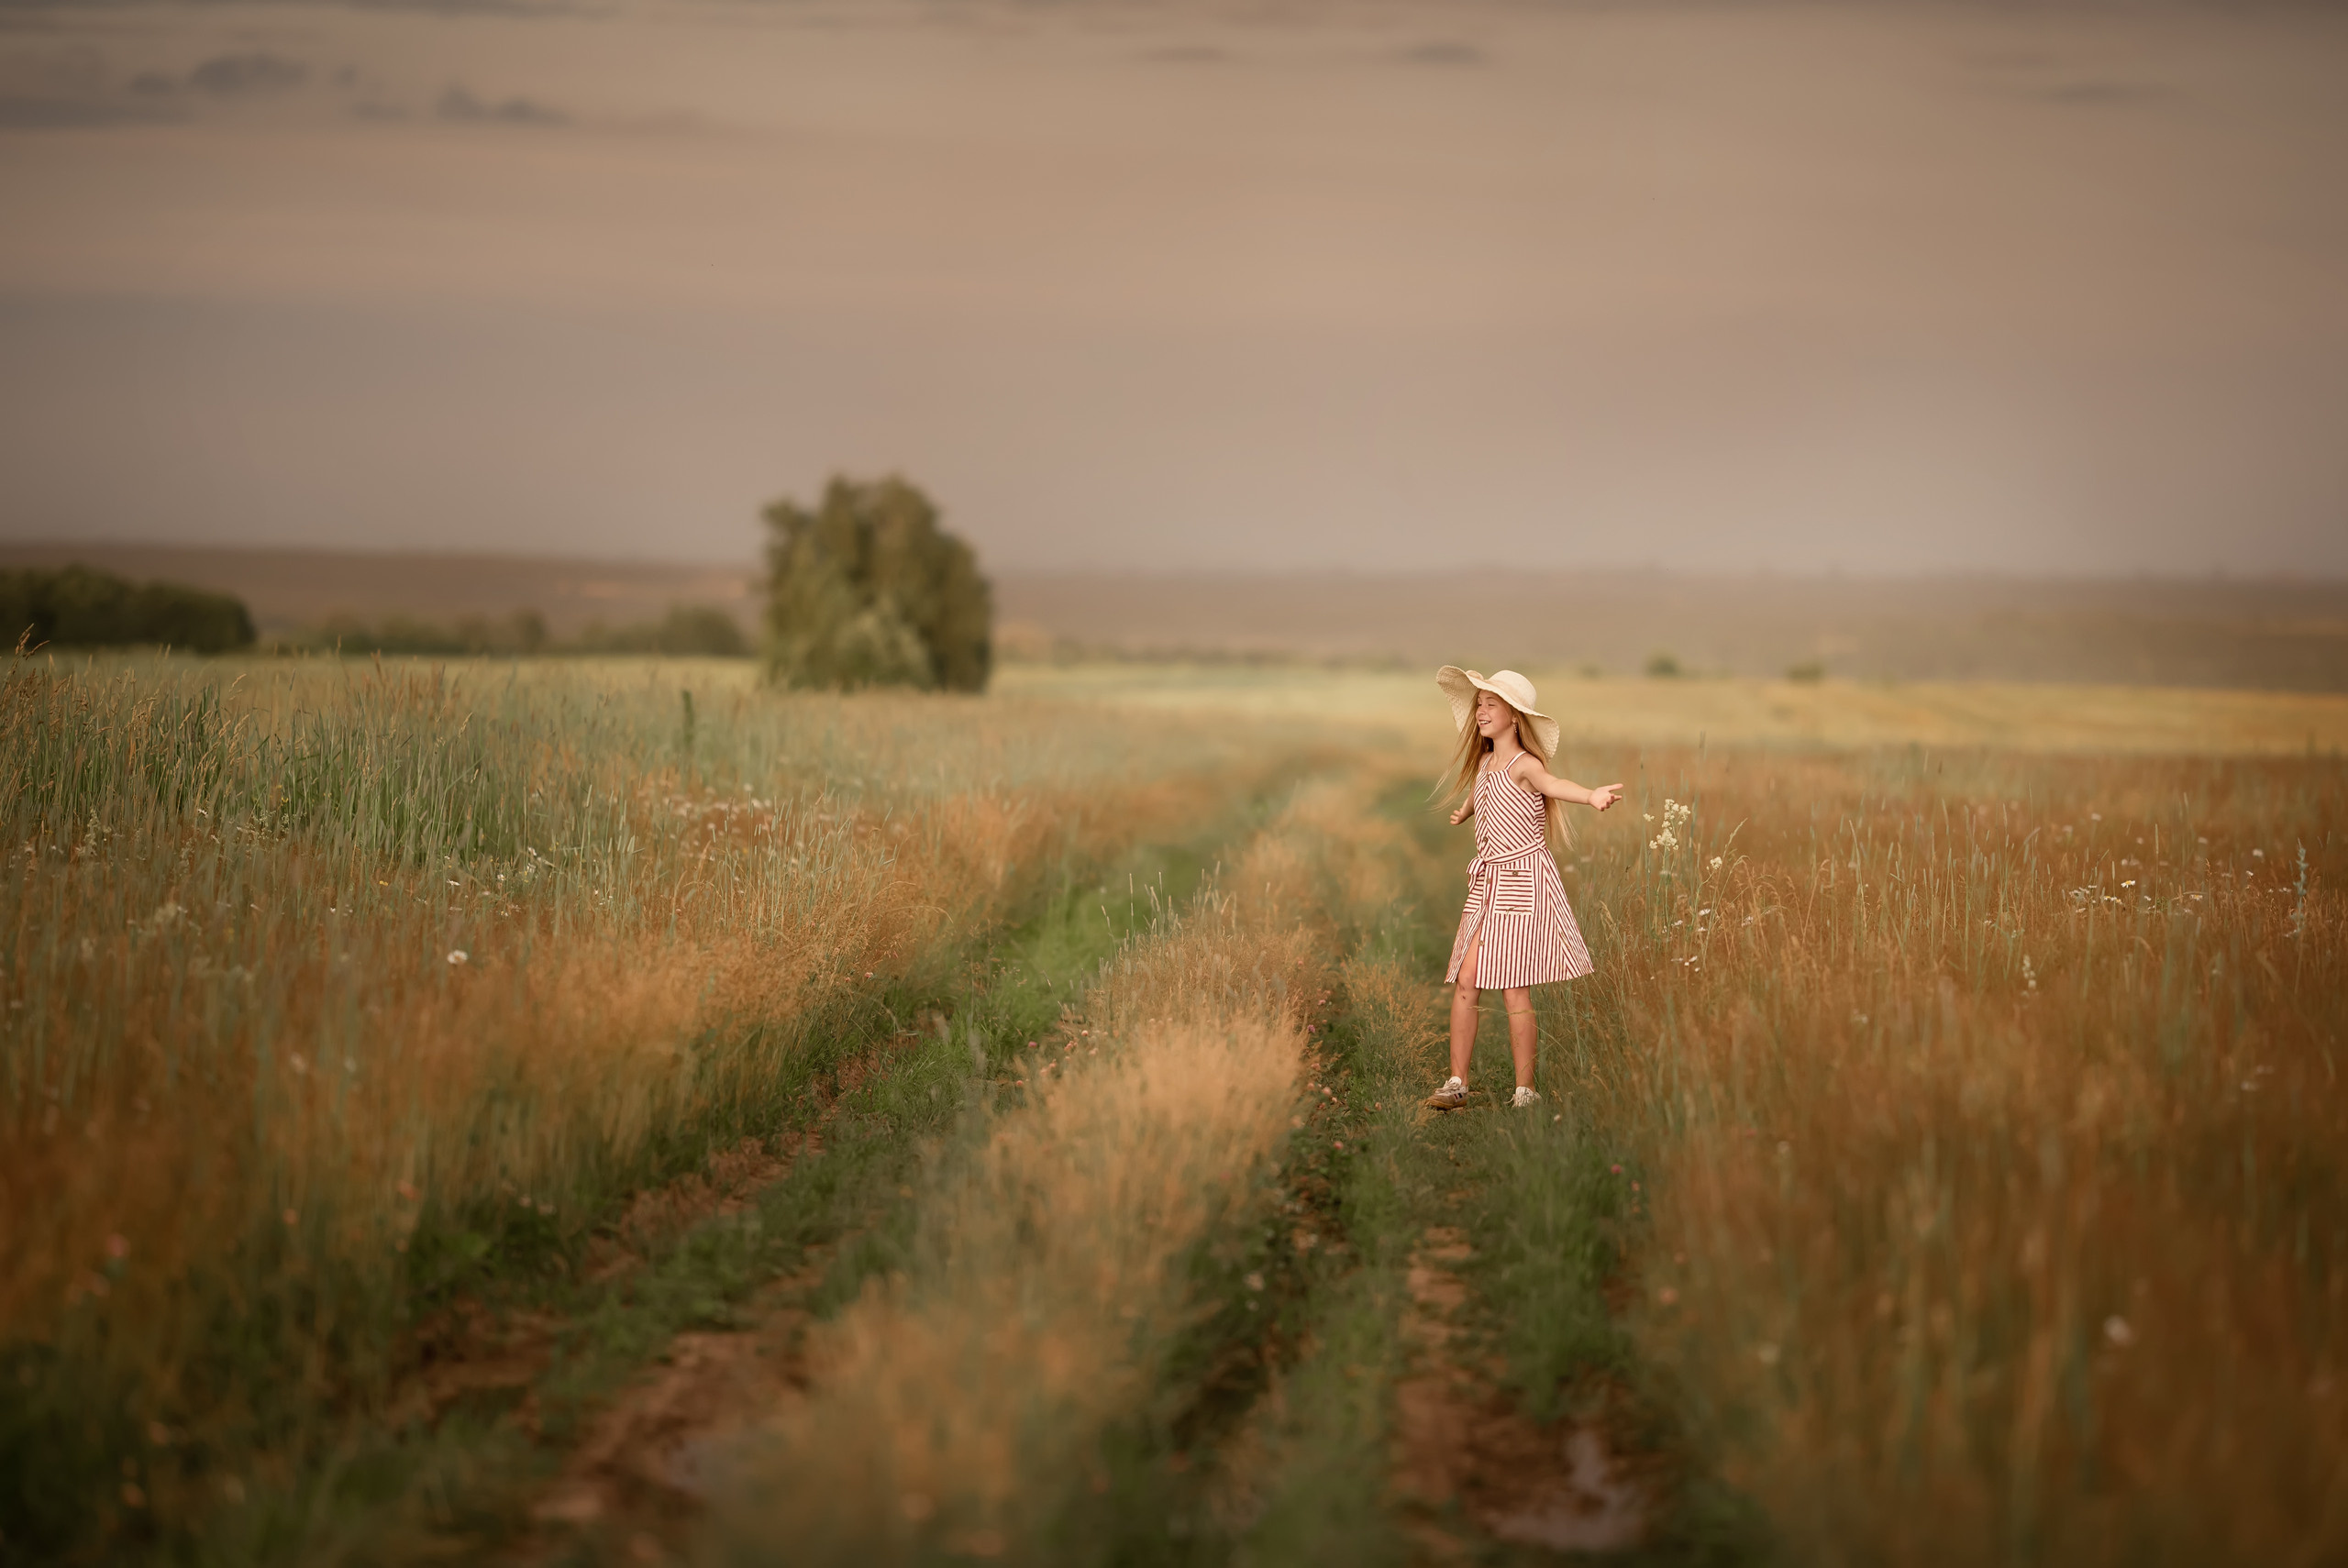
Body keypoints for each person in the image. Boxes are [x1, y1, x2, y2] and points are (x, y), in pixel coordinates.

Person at [1425, 668, 1621, 1110]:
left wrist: (1591, 795)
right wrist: (1467, 811)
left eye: (1491, 704)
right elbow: (1485, 793)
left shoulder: (1526, 765)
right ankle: (1457, 1081)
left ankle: (1525, 1090)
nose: (1482, 711)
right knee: (1467, 980)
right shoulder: (1484, 763)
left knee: (1514, 988)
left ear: (1515, 716)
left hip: (1521, 881)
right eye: (1479, 704)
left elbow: (1554, 786)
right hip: (1488, 882)